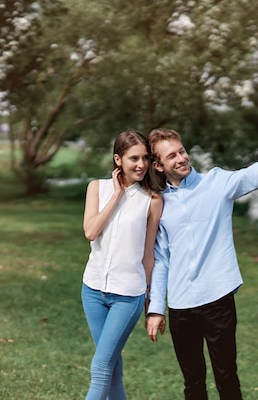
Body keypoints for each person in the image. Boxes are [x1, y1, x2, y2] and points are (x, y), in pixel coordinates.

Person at [145, 128, 258, 400]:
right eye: (172, 156)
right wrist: (156, 308)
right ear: (158, 165)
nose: (181, 158)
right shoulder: (159, 203)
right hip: (181, 306)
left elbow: (252, 174)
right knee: (193, 384)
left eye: (182, 151)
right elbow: (161, 259)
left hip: (217, 299)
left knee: (227, 378)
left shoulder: (216, 183)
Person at [81, 130, 163, 400]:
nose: (141, 165)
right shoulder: (97, 188)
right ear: (118, 160)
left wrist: (152, 300)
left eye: (146, 158)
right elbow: (91, 232)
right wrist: (116, 196)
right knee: (112, 368)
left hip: (128, 295)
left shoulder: (152, 200)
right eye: (134, 158)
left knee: (101, 365)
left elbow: (148, 254)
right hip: (92, 290)